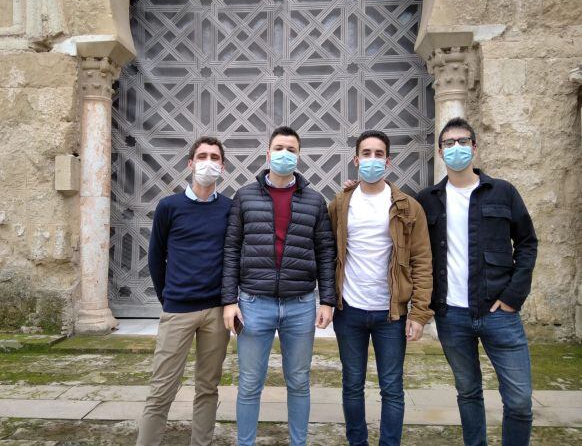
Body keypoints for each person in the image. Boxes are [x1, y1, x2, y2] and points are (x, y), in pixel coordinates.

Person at [416, 117, 538, 446]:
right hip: (452, 315)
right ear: (440, 152)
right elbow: (396, 221)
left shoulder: (503, 191)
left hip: (500, 312)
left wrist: (513, 296)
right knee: (468, 393)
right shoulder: (428, 199)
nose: (456, 148)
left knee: (520, 401)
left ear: (474, 147)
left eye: (463, 141)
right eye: (449, 143)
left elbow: (527, 243)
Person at [221, 126, 336, 446]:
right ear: (268, 154)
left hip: (300, 305)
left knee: (299, 382)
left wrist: (326, 299)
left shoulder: (315, 200)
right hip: (254, 304)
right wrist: (230, 300)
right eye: (279, 148)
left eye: (291, 149)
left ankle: (298, 442)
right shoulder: (244, 196)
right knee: (249, 384)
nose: (285, 154)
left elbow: (326, 250)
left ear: (298, 156)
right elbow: (231, 249)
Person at [329, 130, 433, 446]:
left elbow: (422, 262)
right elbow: (326, 251)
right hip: (350, 311)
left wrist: (419, 313)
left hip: (392, 314)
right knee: (352, 385)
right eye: (366, 153)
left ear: (387, 161)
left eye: (379, 154)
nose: (372, 159)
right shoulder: (340, 202)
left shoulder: (408, 207)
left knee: (392, 386)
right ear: (355, 159)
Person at [136, 136, 232, 446]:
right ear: (190, 163)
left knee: (208, 387)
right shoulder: (169, 207)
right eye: (202, 156)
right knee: (161, 388)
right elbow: (155, 256)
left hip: (216, 312)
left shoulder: (230, 208)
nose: (208, 162)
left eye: (214, 157)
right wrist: (169, 297)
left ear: (222, 166)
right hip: (178, 309)